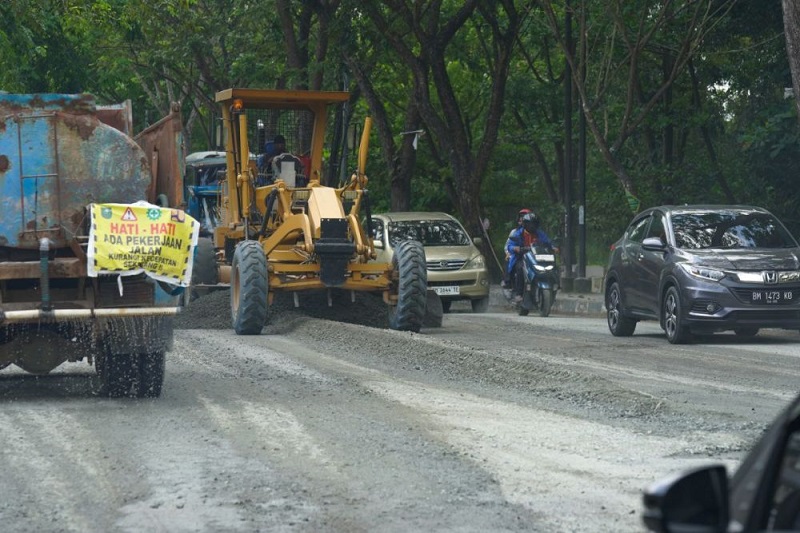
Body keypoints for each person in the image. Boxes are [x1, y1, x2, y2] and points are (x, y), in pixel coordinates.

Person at [505, 211, 555, 303]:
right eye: (530, 224)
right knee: (520, 269)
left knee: (553, 267)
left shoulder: (540, 234)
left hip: (536, 257)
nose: (532, 226)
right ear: (525, 224)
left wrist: (553, 247)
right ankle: (519, 294)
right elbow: (510, 245)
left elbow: (548, 242)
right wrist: (515, 248)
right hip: (521, 257)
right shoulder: (518, 234)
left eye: (534, 224)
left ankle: (554, 285)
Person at [502, 208, 531, 288]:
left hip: (533, 255)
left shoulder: (536, 232)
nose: (521, 219)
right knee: (511, 260)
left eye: (524, 217)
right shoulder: (515, 232)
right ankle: (509, 281)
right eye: (521, 217)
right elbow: (508, 245)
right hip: (519, 255)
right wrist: (510, 251)